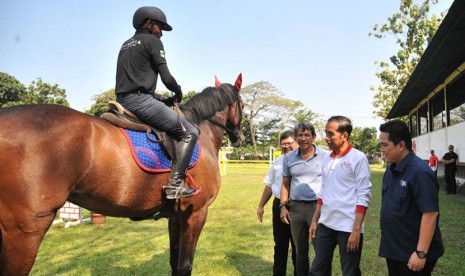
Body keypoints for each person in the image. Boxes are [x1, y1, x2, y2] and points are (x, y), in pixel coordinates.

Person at [115, 6, 199, 199]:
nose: (161, 33)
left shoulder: (126, 44)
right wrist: (177, 91)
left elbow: (134, 79)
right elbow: (166, 78)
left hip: (124, 99)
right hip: (140, 101)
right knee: (190, 132)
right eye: (159, 27)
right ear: (148, 23)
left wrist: (160, 98)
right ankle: (175, 184)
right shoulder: (152, 41)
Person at [378, 120, 444, 276]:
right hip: (395, 250)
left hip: (412, 254)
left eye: (384, 145)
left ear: (401, 145)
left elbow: (430, 213)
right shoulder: (390, 169)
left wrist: (420, 253)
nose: (381, 150)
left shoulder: (420, 172)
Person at [309, 116, 372, 276]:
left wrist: (356, 230)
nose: (327, 138)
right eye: (326, 133)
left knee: (350, 272)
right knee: (317, 270)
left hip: (348, 227)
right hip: (326, 224)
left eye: (330, 134)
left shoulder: (358, 158)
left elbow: (363, 196)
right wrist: (315, 221)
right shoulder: (326, 159)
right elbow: (323, 193)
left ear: (344, 135)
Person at [280, 122, 328, 276]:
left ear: (313, 137)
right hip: (296, 209)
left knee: (321, 251)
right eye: (300, 135)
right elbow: (285, 184)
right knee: (301, 252)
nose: (303, 138)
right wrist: (283, 206)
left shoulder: (325, 156)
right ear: (296, 137)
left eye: (307, 135)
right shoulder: (289, 158)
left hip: (318, 209)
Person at [257, 130, 298, 276]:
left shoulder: (303, 161)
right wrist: (261, 206)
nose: (286, 146)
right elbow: (269, 184)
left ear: (297, 142)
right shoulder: (278, 162)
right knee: (280, 245)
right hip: (278, 204)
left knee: (297, 246)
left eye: (289, 143)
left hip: (297, 207)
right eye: (283, 144)